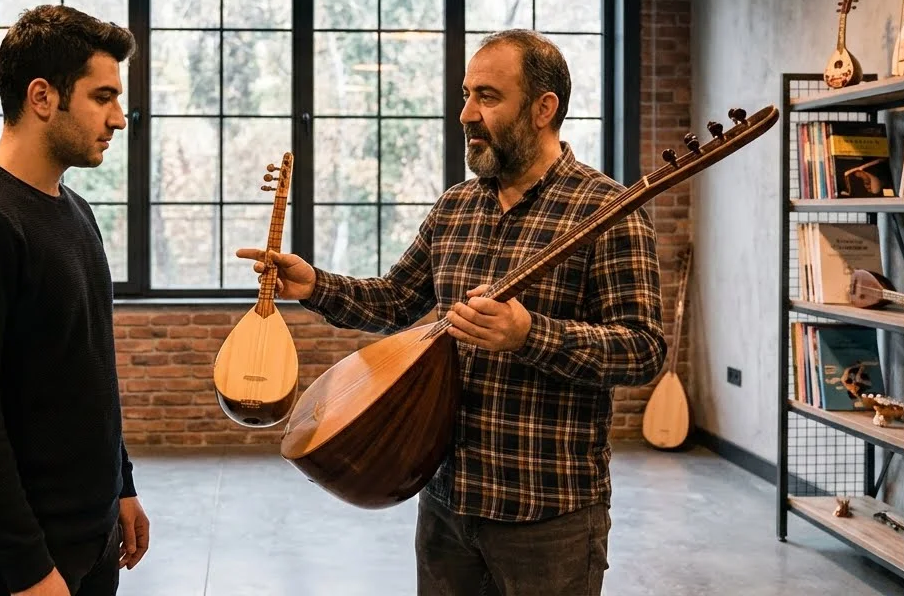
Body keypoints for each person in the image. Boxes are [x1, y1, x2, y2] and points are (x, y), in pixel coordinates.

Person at [238, 29, 665, 596]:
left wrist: (529, 334)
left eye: (488, 96)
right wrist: (315, 285)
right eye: (466, 95)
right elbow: (396, 300)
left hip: (547, 514)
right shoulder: (456, 206)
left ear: (543, 109)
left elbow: (643, 350)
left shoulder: (609, 210)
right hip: (447, 501)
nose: (466, 114)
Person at [0, 4, 150, 596]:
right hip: (15, 563)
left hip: (91, 536)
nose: (119, 119)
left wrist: (120, 485)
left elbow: (86, 372)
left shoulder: (76, 211)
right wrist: (28, 570)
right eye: (102, 97)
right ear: (43, 97)